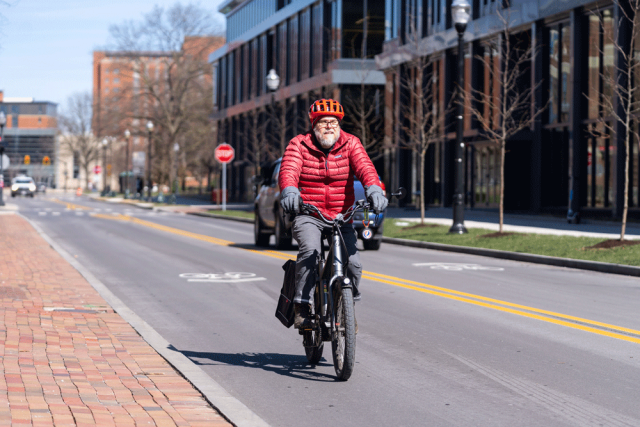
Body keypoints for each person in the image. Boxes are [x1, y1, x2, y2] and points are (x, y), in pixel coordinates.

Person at [279, 98, 388, 330]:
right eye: (323, 122)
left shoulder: (351, 143)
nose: (329, 126)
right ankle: (302, 306)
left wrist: (374, 189)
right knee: (311, 251)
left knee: (354, 264)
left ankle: (346, 310)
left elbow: (365, 168)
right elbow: (289, 169)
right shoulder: (299, 144)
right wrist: (289, 191)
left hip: (342, 214)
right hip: (309, 212)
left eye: (334, 122)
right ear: (314, 124)